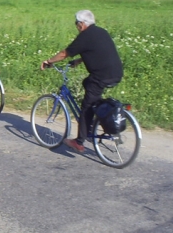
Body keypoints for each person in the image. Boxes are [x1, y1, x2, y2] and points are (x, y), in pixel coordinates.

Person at [40, 10, 123, 153]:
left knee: (87, 106)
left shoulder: (85, 36)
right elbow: (97, 51)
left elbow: (64, 53)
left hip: (101, 77)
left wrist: (49, 61)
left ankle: (79, 141)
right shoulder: (101, 32)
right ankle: (96, 117)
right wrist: (78, 61)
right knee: (87, 84)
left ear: (82, 24)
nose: (76, 27)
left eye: (76, 24)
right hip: (116, 73)